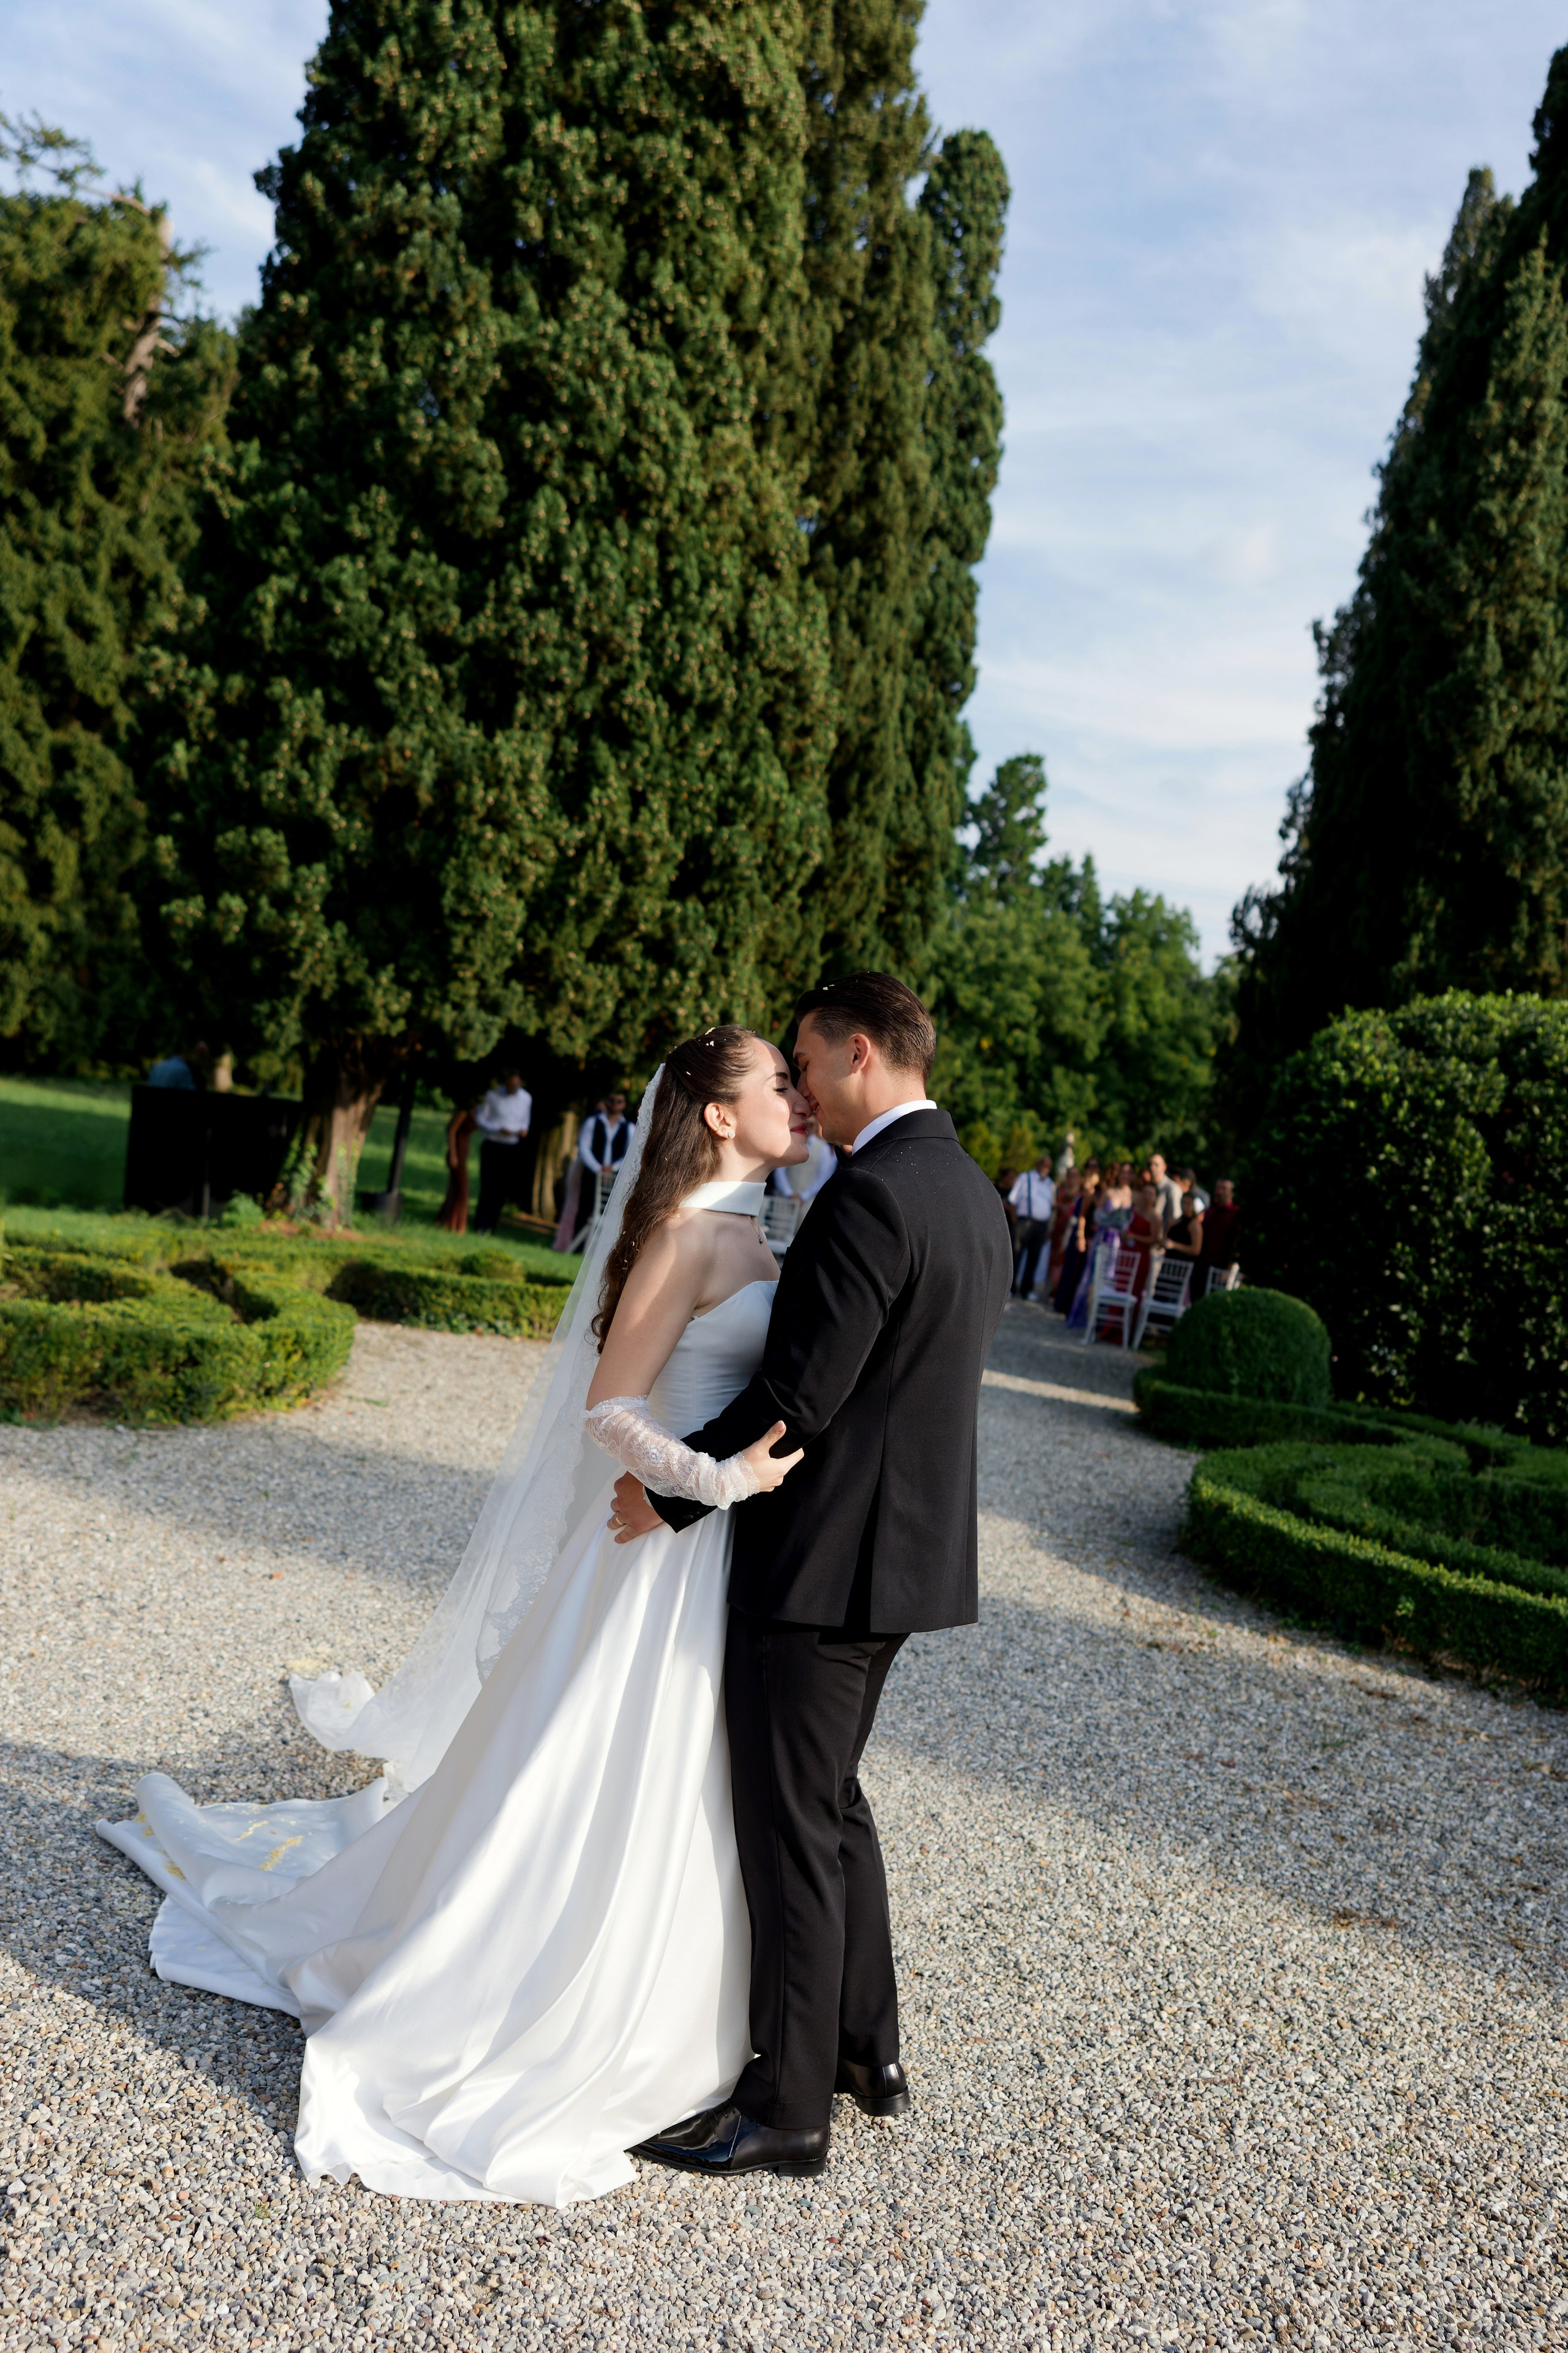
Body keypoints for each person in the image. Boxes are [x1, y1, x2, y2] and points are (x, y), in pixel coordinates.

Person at [99, 1027, 815, 2205]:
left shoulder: (760, 1234)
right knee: (592, 1772)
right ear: (722, 1117)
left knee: (692, 1776)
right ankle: (526, 1996)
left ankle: (686, 2007)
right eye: (774, 1082)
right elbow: (611, 1407)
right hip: (654, 1552)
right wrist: (712, 1482)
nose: (794, 1092)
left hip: (719, 1561)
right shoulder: (685, 1238)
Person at [611, 972, 1012, 2181]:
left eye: (803, 1061)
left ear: (855, 1055)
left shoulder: (870, 1198)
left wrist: (670, 1487)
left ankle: (787, 2111)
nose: (799, 1087)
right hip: (901, 1562)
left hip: (821, 1564)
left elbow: (802, 1397)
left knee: (790, 1821)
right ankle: (863, 2048)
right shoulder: (971, 1193)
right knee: (832, 1798)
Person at [472, 1070, 533, 1234]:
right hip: (493, 1144)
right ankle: (481, 1224)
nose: (513, 1088)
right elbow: (481, 1119)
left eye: (516, 1085)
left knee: (503, 1187)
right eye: (510, 1085)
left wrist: (522, 1129)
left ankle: (492, 1224)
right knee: (488, 1185)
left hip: (511, 1146)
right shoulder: (492, 1096)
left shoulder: (526, 1098)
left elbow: (525, 1120)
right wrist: (499, 1129)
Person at [1008, 1154, 1057, 1299]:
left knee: (1034, 1258)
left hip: (1041, 1225)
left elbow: (1052, 1205)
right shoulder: (1025, 1178)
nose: (1045, 1168)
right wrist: (1016, 1222)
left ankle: (1026, 1289)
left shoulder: (1050, 1184)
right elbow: (1012, 1200)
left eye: (1048, 1166)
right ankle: (1011, 1288)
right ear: (1038, 1165)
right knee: (1016, 1255)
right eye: (1043, 1164)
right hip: (1024, 1221)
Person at [436, 1103, 479, 1234]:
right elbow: (452, 1131)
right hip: (457, 1153)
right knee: (462, 1189)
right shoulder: (463, 1112)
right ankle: (457, 1225)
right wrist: (453, 1154)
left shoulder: (474, 1111)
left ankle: (450, 1222)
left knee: (456, 1188)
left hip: (463, 1152)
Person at [778, 1116, 837, 1208]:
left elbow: (823, 1178)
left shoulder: (824, 1149)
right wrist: (788, 1193)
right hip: (784, 1200)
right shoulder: (790, 1142)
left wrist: (804, 1197)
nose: (808, 1127)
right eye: (806, 1124)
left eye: (811, 1124)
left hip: (808, 1203)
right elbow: (780, 1170)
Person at [1198, 1176, 1242, 1272]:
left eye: (1224, 1189)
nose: (1220, 1192)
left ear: (1232, 1193)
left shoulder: (1235, 1213)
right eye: (1218, 1188)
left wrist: (1230, 1266)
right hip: (1203, 1262)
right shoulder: (1210, 1211)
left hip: (1222, 1265)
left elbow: (1236, 1242)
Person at [146, 1041, 210, 1089]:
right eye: (200, 1054)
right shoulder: (183, 1070)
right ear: (191, 1052)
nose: (202, 1058)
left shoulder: (158, 1067)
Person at [1148, 1153, 1184, 1234]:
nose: (1152, 1168)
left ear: (1164, 1167)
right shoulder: (1149, 1186)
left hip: (1163, 1239)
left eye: (1156, 1165)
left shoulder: (1172, 1189)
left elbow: (1176, 1218)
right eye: (1150, 1164)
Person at [1163, 1189, 1205, 1260]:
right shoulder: (1175, 1221)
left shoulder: (1195, 1225)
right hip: (1169, 1261)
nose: (1185, 1206)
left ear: (1193, 1206)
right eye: (1183, 1202)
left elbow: (1196, 1251)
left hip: (1183, 1264)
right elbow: (1165, 1241)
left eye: (1188, 1203)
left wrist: (1174, 1245)